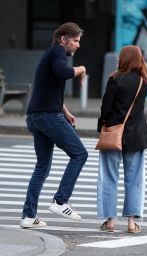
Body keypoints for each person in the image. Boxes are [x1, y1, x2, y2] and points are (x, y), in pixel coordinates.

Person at [20, 22, 88, 228]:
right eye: (75, 41)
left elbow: (48, 88)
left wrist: (65, 111)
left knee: (41, 168)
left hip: (36, 116)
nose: (78, 46)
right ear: (63, 39)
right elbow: (63, 72)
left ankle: (28, 216)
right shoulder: (58, 51)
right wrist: (81, 69)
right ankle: (60, 201)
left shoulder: (50, 53)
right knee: (80, 154)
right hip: (48, 116)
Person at [97, 45, 147, 233]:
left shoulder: (115, 79)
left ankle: (110, 221)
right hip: (136, 136)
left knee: (109, 178)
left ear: (123, 59)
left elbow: (105, 108)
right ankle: (131, 223)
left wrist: (102, 125)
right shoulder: (143, 81)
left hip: (114, 134)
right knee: (135, 179)